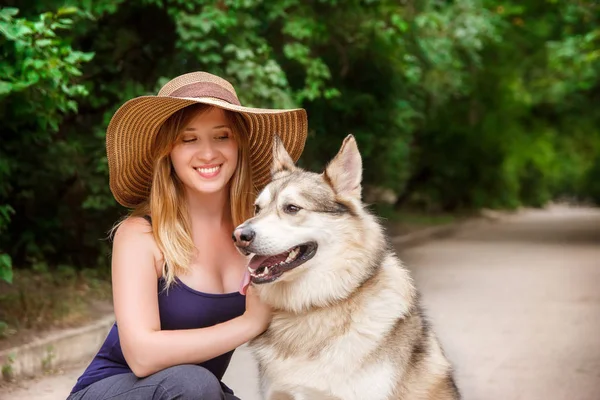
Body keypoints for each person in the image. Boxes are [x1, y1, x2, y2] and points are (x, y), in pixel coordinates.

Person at [68, 72, 308, 399]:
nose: (208, 153)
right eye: (188, 139)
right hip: (120, 390)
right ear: (168, 153)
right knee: (194, 384)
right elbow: (142, 356)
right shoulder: (140, 235)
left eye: (221, 136)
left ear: (239, 145)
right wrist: (249, 324)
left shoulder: (257, 236)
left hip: (196, 393)